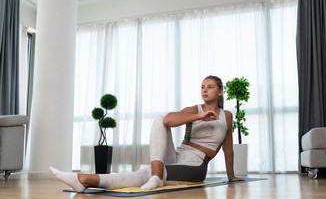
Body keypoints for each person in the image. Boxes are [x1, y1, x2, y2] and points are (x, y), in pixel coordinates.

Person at [49, 75, 244, 192]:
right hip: (176, 156)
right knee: (159, 119)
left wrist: (231, 176)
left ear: (220, 91)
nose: (205, 90)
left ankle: (83, 179)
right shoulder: (194, 110)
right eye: (202, 87)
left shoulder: (227, 116)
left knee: (144, 173)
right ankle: (157, 176)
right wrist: (199, 116)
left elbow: (228, 149)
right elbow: (168, 121)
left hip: (195, 165)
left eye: (210, 87)